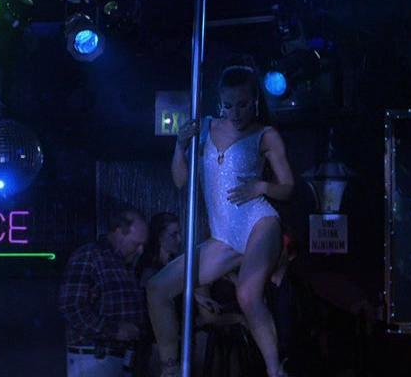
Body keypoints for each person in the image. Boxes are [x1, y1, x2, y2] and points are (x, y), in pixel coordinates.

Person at [146, 54, 295, 377]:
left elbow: (288, 188)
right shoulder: (204, 128)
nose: (236, 113)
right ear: (220, 103)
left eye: (243, 105)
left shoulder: (265, 135)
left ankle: (275, 371)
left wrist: (262, 186)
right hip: (224, 236)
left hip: (259, 222)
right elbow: (180, 181)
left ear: (255, 101)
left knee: (247, 294)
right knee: (157, 288)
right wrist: (179, 146)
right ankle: (171, 369)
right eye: (229, 106)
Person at [58, 209, 149, 377]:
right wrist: (114, 330)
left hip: (120, 358)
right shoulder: (90, 257)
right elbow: (72, 307)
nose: (140, 250)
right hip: (95, 359)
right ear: (119, 233)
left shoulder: (123, 265)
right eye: (136, 244)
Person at [135, 212, 183, 377]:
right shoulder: (149, 269)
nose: (179, 240)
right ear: (160, 238)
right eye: (174, 235)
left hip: (177, 340)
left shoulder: (176, 266)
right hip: (155, 342)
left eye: (179, 234)